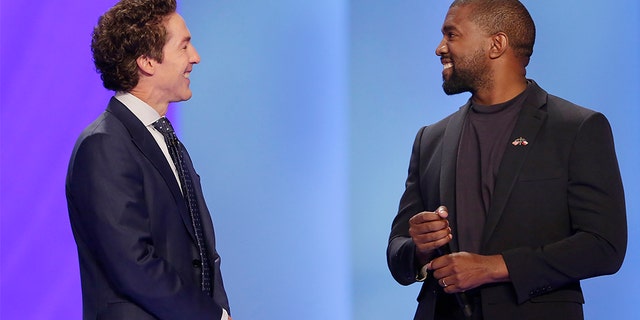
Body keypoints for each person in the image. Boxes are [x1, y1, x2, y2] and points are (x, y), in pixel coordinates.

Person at [386, 0, 627, 319]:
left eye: (451, 34)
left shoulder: (577, 128)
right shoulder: (430, 139)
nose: (439, 48)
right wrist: (419, 248)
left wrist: (494, 268)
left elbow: (603, 247)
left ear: (496, 44)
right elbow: (397, 252)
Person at [65, 0, 231, 319]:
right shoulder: (104, 145)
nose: (195, 57)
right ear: (147, 61)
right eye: (184, 46)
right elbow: (133, 263)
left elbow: (201, 254)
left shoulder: (168, 141)